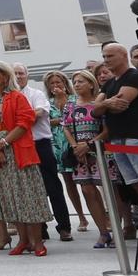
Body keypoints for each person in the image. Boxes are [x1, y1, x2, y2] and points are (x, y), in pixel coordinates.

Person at [91, 41, 138, 248]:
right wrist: (106, 104)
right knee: (136, 184)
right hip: (118, 139)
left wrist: (104, 105)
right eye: (104, 56)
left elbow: (120, 106)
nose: (106, 60)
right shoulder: (109, 83)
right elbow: (95, 110)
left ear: (123, 56)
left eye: (110, 56)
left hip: (136, 137)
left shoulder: (133, 77)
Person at [0, 61, 49, 255]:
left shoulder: (17, 97)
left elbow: (25, 121)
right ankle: (22, 240)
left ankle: (38, 241)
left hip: (17, 149)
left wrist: (3, 144)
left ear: (4, 76)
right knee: (9, 197)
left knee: (28, 196)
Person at [14, 64, 72, 243]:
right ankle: (40, 229)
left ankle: (64, 227)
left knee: (53, 186)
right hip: (19, 146)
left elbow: (40, 112)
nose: (18, 76)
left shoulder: (36, 94)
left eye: (21, 73)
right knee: (30, 189)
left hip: (40, 144)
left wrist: (18, 119)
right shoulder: (9, 97)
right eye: (14, 74)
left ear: (27, 74)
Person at [62, 70, 114, 247]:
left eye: (81, 81)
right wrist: (76, 147)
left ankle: (117, 227)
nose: (76, 85)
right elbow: (65, 127)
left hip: (100, 151)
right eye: (75, 82)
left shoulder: (100, 103)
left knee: (110, 191)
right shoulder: (70, 104)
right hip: (80, 154)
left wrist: (90, 144)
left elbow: (108, 129)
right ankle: (103, 232)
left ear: (91, 84)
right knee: (87, 191)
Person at [42, 72, 90, 232]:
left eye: (59, 82)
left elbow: (76, 117)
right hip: (57, 145)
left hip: (75, 142)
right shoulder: (47, 103)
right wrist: (53, 122)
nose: (56, 86)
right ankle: (81, 216)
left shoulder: (74, 99)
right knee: (68, 182)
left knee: (85, 181)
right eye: (52, 83)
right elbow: (44, 122)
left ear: (65, 83)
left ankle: (100, 215)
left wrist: (59, 120)